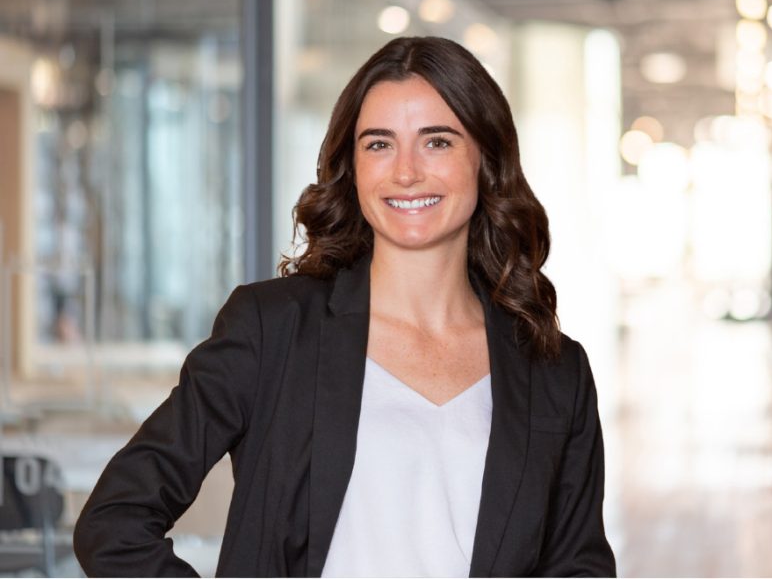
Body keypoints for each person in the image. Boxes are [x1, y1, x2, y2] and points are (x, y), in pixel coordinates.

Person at [73, 36, 616, 577]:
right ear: (352, 166)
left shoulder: (552, 370)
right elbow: (116, 521)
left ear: (486, 160)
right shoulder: (272, 329)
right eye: (379, 144)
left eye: (437, 142)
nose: (405, 172)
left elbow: (579, 568)